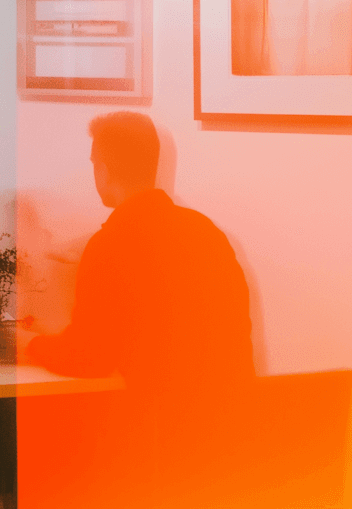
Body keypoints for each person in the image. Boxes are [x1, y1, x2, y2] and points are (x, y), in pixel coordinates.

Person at [25, 111, 255, 507]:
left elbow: (89, 356)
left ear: (103, 168)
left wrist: (28, 345)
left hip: (159, 449)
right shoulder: (208, 233)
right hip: (233, 433)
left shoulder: (110, 244)